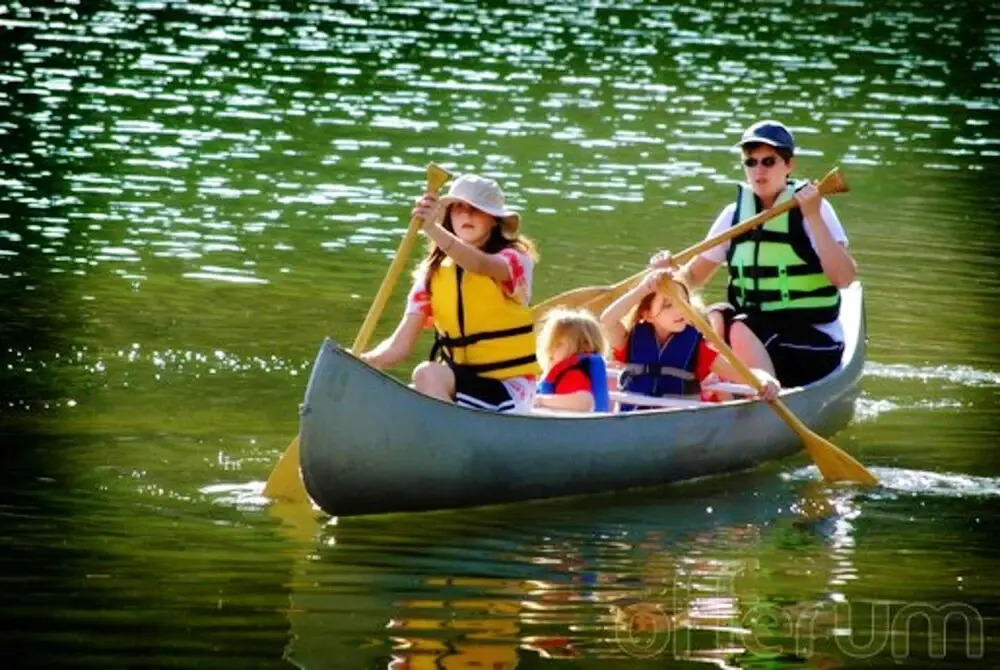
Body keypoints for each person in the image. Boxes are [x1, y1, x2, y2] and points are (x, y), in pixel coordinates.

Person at [653, 120, 857, 387]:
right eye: (751, 162)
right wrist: (667, 276)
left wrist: (813, 216)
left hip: (813, 340)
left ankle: (761, 393)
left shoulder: (814, 208)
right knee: (713, 317)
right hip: (754, 333)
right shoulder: (734, 216)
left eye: (768, 161)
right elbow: (691, 277)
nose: (759, 170)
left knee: (740, 327)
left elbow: (844, 278)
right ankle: (716, 391)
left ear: (789, 165)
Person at [360, 173, 540, 413]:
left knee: (426, 374)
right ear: (449, 216)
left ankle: (449, 432)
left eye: (476, 209)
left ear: (494, 220)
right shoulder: (431, 274)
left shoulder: (515, 260)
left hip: (510, 390)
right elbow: (399, 347)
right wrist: (364, 361)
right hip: (461, 384)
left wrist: (431, 229)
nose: (466, 215)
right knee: (413, 389)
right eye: (458, 208)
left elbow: (478, 265)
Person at [600, 269, 779, 410]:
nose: (679, 311)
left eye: (683, 302)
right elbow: (607, 320)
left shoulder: (697, 348)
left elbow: (744, 374)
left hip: (677, 423)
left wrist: (765, 380)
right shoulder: (630, 340)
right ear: (647, 315)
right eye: (668, 305)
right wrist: (643, 289)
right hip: (633, 419)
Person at [534, 308, 611, 412]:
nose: (550, 349)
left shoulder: (575, 373)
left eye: (558, 344)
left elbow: (584, 402)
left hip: (575, 422)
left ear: (585, 346)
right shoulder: (565, 372)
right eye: (550, 344)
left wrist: (541, 400)